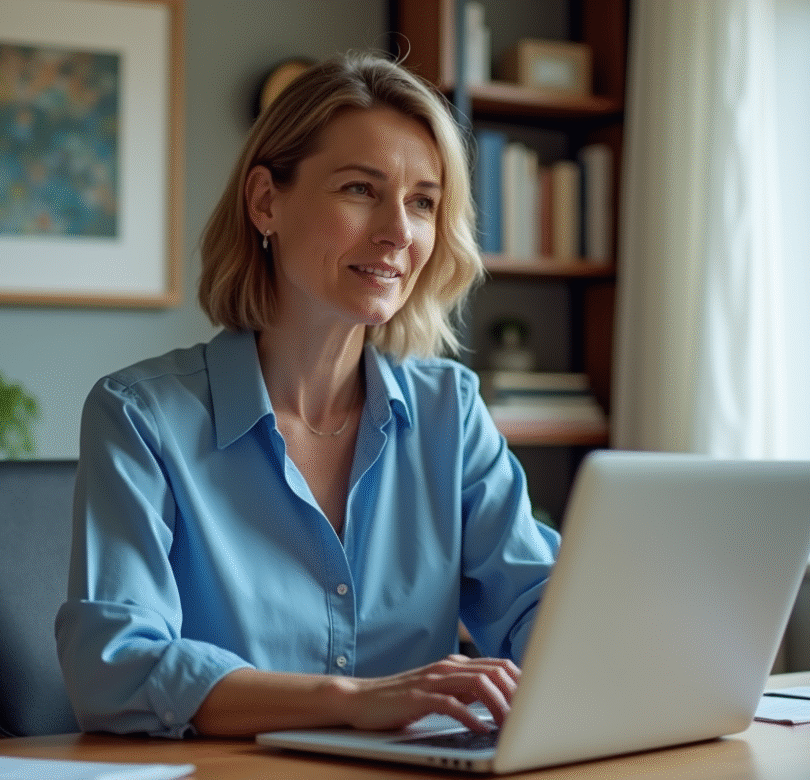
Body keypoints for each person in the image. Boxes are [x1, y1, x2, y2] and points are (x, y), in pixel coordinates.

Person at [55, 51, 559, 739]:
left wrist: (596, 651)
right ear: (266, 201)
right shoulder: (141, 417)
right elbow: (114, 670)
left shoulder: (451, 412)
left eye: (423, 203)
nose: (397, 232)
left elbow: (535, 600)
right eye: (360, 189)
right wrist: (351, 699)